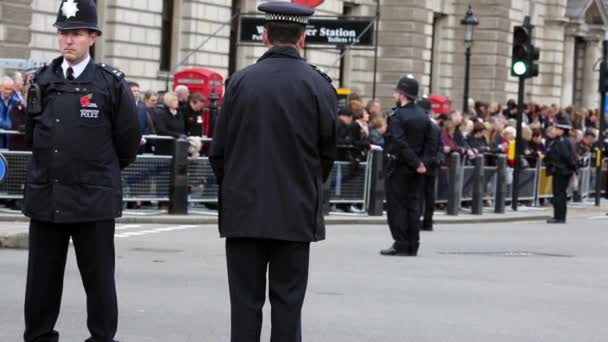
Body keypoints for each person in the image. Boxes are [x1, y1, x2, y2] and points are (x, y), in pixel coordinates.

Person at [209, 2, 337, 341]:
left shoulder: (238, 82)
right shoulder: (319, 85)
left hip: (244, 210)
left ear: (264, 37)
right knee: (288, 305)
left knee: (245, 305)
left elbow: (218, 150)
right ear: (303, 38)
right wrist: (307, 185)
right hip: (294, 212)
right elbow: (328, 152)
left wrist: (235, 186)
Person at [21, 1, 141, 341]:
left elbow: (128, 140)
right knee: (42, 281)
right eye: (63, 33)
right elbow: (32, 134)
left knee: (99, 280)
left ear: (92, 37)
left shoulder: (109, 83)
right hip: (48, 195)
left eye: (76, 33)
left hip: (93, 198)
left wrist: (99, 170)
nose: (68, 40)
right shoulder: (42, 80)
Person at [381, 74, 436, 256]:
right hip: (418, 169)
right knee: (413, 206)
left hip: (400, 167)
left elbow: (398, 142)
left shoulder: (398, 116)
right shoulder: (424, 116)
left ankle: (401, 242)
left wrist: (414, 161)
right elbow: (431, 143)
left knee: (397, 206)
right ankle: (414, 243)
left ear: (402, 94)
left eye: (396, 92)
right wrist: (422, 163)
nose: (394, 96)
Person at [416, 96, 443, 231]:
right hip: (432, 164)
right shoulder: (436, 126)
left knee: (419, 193)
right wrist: (438, 159)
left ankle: (418, 219)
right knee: (429, 194)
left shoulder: (422, 125)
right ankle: (428, 221)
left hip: (422, 163)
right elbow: (440, 147)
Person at [544, 116, 577, 224]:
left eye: (556, 128)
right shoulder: (562, 140)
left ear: (562, 130)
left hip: (561, 171)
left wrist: (573, 167)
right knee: (560, 194)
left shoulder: (562, 141)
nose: (554, 129)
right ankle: (559, 216)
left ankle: (559, 217)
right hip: (562, 170)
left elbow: (566, 156)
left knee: (559, 194)